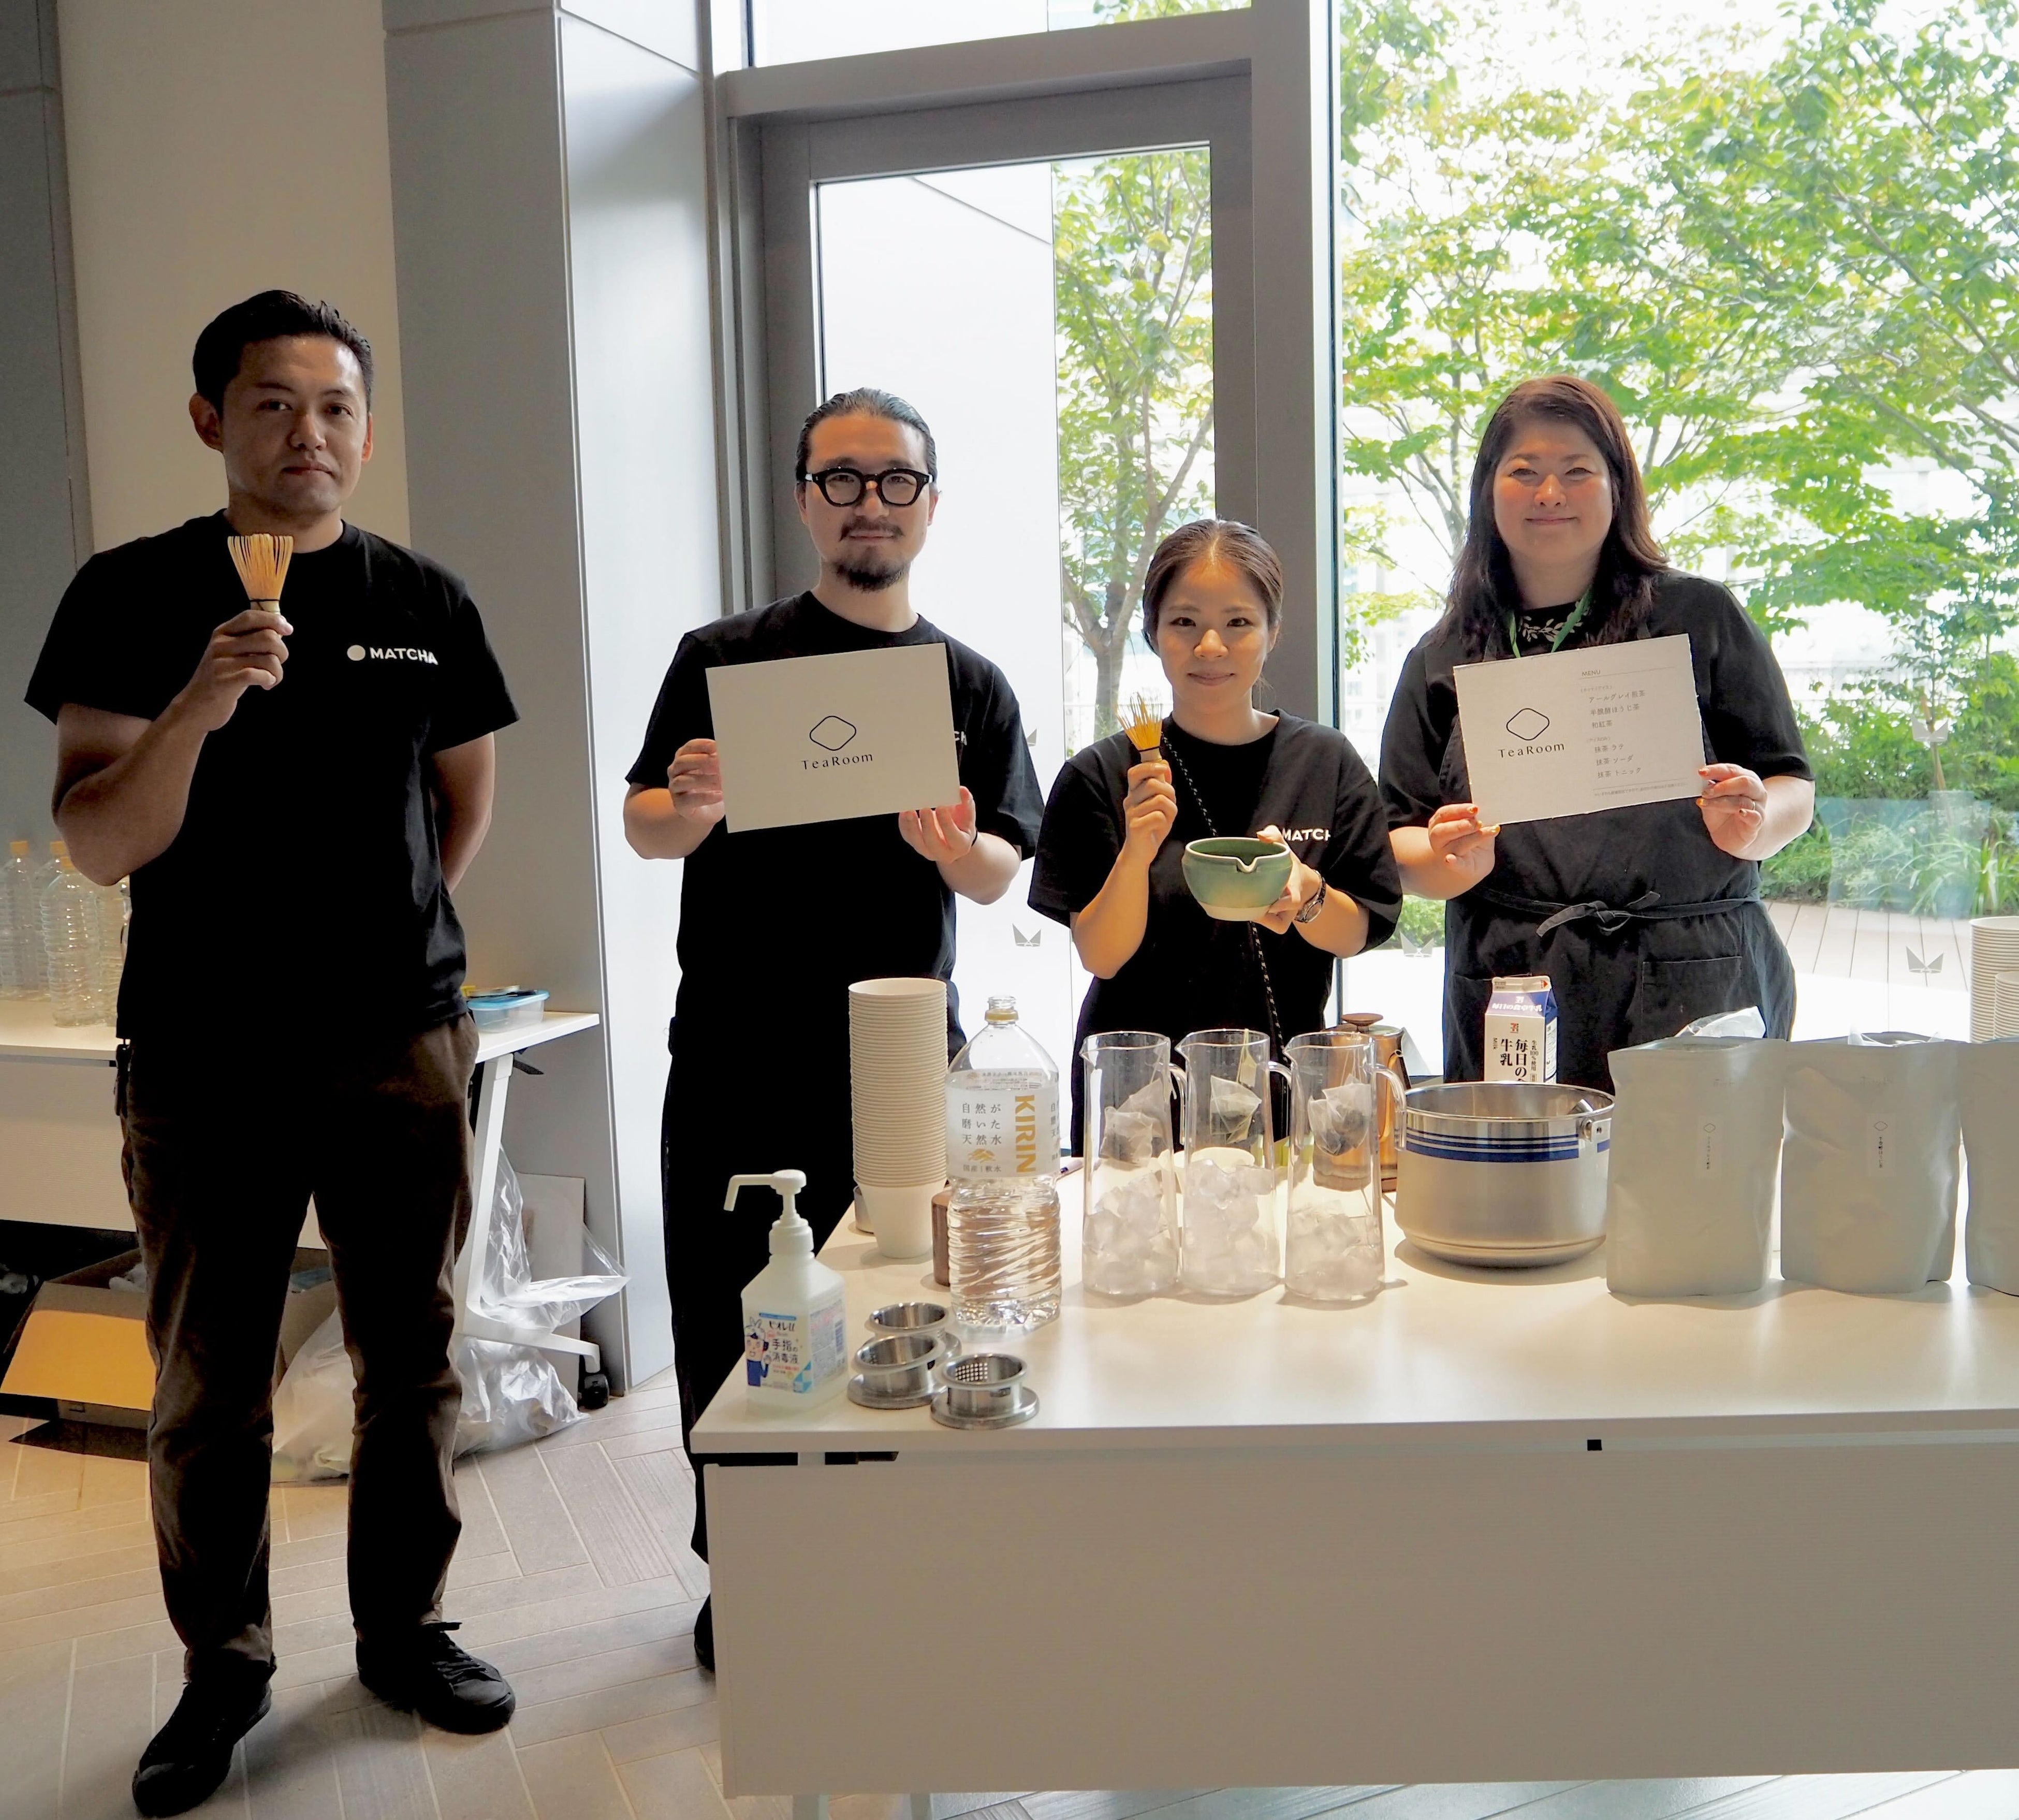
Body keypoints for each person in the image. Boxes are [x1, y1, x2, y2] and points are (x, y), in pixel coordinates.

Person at [25, 290, 520, 1816]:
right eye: (272, 402)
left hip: (398, 1040)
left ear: (364, 430)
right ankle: (222, 1667)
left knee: (411, 1357)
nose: (309, 432)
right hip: (203, 1052)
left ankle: (405, 1630)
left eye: (336, 406)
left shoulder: (425, 598)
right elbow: (99, 839)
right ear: (209, 420)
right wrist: (200, 702)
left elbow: (459, 811)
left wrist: (390, 950)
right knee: (207, 1381)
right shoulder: (127, 594)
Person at [623, 387, 1044, 1669]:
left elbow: (998, 871)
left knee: (904, 1304)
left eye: (895, 480)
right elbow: (646, 825)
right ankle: (745, 1569)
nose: (871, 503)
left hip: (901, 1065)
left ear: (930, 502)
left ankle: (888, 1558)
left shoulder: (969, 683)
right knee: (731, 1318)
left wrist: (951, 843)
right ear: (805, 499)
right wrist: (691, 803)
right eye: (843, 479)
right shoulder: (723, 656)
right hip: (738, 1048)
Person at [1379, 374, 1815, 1090]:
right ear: (1488, 490)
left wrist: (1757, 824)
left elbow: (1791, 780)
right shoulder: (1444, 653)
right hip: (1515, 979)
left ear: (1618, 487)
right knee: (1526, 1162)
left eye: (1577, 471)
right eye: (1524, 472)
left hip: (1694, 970)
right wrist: (1448, 862)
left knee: (1696, 1160)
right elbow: (1399, 835)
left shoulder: (1699, 616)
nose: (1550, 493)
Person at [1029, 519, 1402, 1143]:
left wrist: (1306, 893)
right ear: (1153, 631)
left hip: (1278, 1087)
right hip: (1138, 1097)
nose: (1210, 646)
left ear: (1272, 632)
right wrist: (1138, 848)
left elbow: (1359, 930)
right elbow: (1101, 954)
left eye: (1238, 622)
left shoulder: (1324, 762)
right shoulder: (1101, 774)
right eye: (1184, 622)